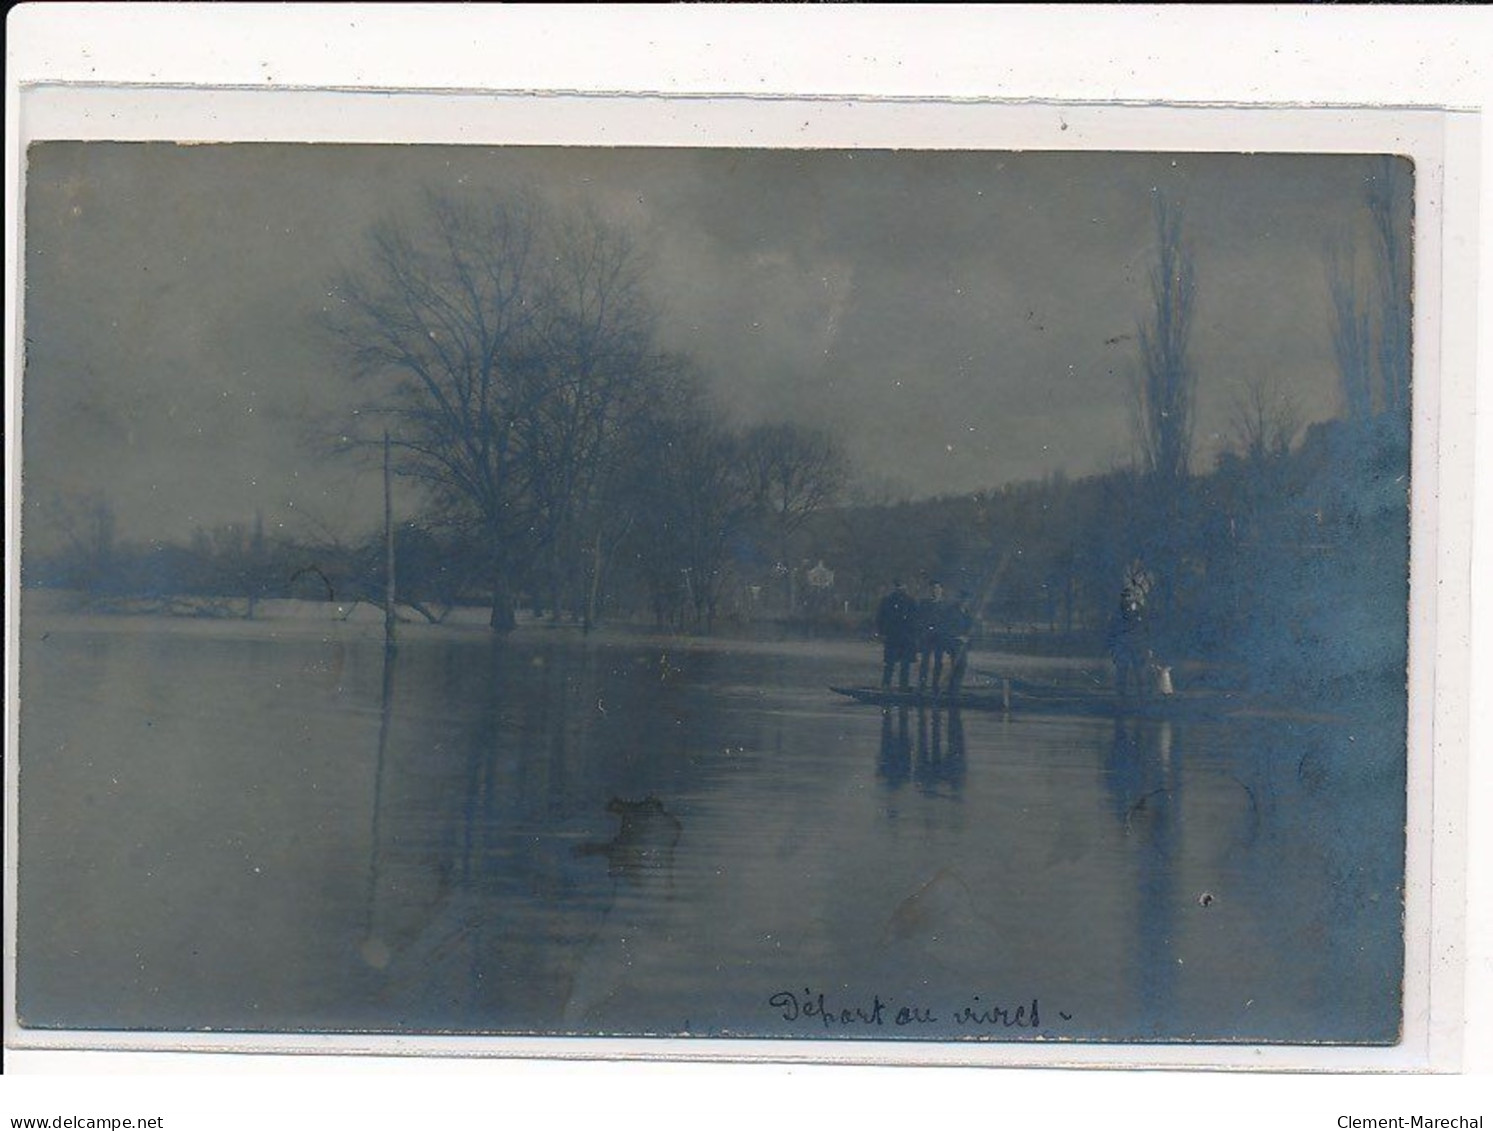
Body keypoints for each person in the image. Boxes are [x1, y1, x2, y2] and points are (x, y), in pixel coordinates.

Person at [1108, 560, 1152, 700]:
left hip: (1136, 639)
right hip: (1126, 640)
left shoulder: (1143, 610)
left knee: (1139, 668)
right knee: (1124, 668)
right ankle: (1123, 696)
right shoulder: (1119, 613)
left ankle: (1142, 695)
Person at [875, 579, 919, 690]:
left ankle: (903, 687)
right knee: (889, 664)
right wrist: (881, 633)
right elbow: (880, 618)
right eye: (898, 586)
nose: (900, 588)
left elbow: (916, 621)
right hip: (892, 637)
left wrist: (914, 636)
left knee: (905, 665)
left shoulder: (911, 602)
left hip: (906, 638)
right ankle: (886, 686)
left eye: (902, 586)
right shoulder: (887, 601)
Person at [940, 590, 976, 696]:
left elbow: (969, 627)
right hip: (954, 642)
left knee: (962, 665)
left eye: (967, 600)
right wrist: (958, 636)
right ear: (960, 600)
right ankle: (953, 689)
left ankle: (955, 688)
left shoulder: (967, 612)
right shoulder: (951, 611)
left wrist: (968, 637)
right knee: (957, 665)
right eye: (963, 600)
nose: (965, 602)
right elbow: (947, 627)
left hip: (963, 644)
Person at [916, 579, 946, 693]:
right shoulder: (924, 603)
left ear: (942, 590)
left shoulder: (945, 605)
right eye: (933, 588)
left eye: (937, 588)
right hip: (927, 636)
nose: (935, 591)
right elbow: (919, 619)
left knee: (939, 661)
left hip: (939, 637)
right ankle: (922, 685)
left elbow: (947, 622)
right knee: (925, 661)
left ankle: (935, 685)